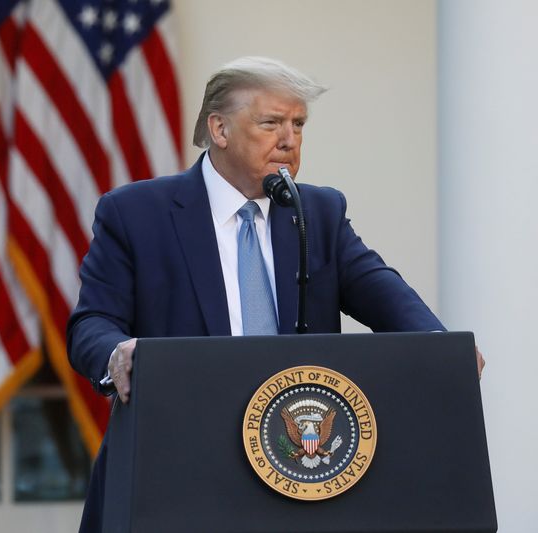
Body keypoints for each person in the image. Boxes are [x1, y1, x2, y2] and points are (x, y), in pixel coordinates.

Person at [66, 56, 484, 532]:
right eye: (271, 123)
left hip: (296, 476)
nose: (289, 139)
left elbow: (381, 290)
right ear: (219, 129)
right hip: (176, 470)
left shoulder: (318, 212)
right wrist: (115, 354)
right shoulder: (137, 213)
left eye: (298, 124)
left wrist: (439, 346)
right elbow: (90, 324)